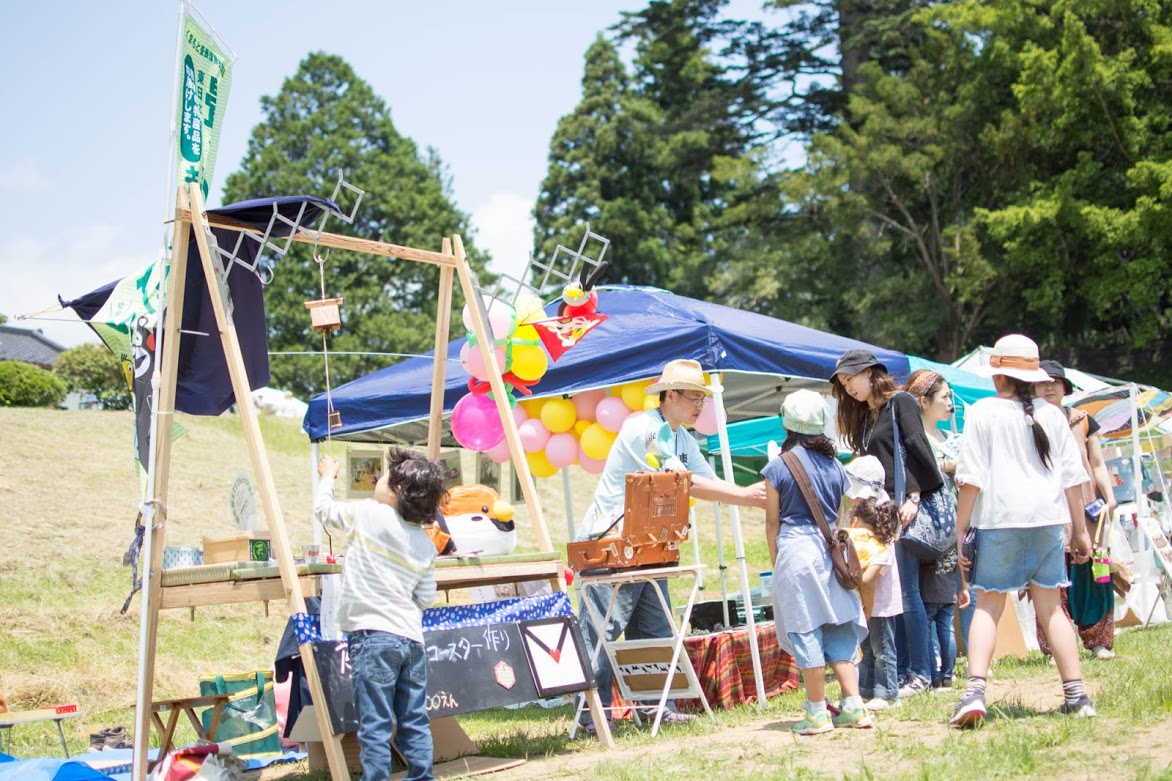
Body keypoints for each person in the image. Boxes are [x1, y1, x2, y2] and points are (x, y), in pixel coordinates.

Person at [576, 359, 767, 735]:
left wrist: (746, 495)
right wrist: (746, 496)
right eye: (695, 397)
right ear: (671, 395)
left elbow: (707, 480)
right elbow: (685, 482)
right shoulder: (643, 429)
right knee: (600, 632)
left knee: (656, 630)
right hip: (610, 544)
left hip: (648, 545)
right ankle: (590, 716)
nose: (700, 406)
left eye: (703, 399)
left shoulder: (682, 436)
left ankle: (657, 708)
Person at [951, 334, 1096, 728]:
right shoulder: (1053, 414)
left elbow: (971, 479)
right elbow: (1073, 479)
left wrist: (959, 527)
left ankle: (974, 692)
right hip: (1048, 522)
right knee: (1052, 608)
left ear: (999, 376)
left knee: (988, 605)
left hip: (999, 520)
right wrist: (1080, 532)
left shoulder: (983, 412)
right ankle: (1076, 695)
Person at [315, 448, 448, 781]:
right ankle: (421, 776)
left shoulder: (369, 513)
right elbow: (426, 597)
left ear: (399, 490)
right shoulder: (424, 543)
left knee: (374, 722)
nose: (378, 479)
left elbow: (324, 511)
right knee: (413, 719)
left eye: (385, 477)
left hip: (372, 635)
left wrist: (327, 478)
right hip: (410, 639)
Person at [832, 350, 945, 698]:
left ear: (870, 373)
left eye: (851, 380)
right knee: (892, 597)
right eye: (844, 385)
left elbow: (916, 449)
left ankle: (921, 673)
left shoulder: (901, 403)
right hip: (880, 513)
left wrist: (913, 495)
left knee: (907, 594)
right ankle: (897, 673)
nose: (848, 389)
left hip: (905, 509)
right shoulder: (866, 417)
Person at [764, 389, 873, 734]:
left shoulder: (778, 466)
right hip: (829, 552)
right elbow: (837, 517)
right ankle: (853, 707)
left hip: (796, 550)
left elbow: (772, 522)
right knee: (839, 625)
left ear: (788, 423)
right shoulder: (836, 467)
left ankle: (816, 712)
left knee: (805, 628)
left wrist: (775, 558)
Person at [1033, 360, 1118, 660]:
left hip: (1087, 510)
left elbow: (1097, 463)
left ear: (1065, 387)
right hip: (1048, 510)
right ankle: (1056, 643)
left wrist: (1109, 498)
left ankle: (1098, 640)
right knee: (1052, 578)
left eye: (1055, 381)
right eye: (1043, 382)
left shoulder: (1083, 420)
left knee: (1096, 573)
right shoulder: (1029, 422)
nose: (1049, 387)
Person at [903, 369, 968, 687]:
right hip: (924, 535)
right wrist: (946, 468)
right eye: (944, 396)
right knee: (931, 607)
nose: (950, 403)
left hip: (953, 532)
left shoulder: (950, 440)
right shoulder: (917, 441)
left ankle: (944, 672)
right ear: (924, 402)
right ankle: (936, 671)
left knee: (945, 606)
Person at [844, 455, 903, 710]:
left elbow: (869, 578)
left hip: (880, 604)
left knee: (883, 650)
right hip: (867, 604)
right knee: (868, 649)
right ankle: (867, 689)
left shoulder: (881, 534)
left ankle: (889, 692)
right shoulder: (873, 525)